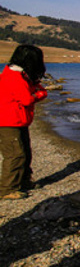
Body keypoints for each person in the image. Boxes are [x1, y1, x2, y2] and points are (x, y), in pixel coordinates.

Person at [0, 45, 48, 199]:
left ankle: (23, 181)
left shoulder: (19, 75)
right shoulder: (15, 77)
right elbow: (27, 99)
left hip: (17, 120)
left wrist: (36, 89)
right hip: (8, 121)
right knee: (15, 154)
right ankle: (7, 189)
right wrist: (40, 94)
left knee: (25, 152)